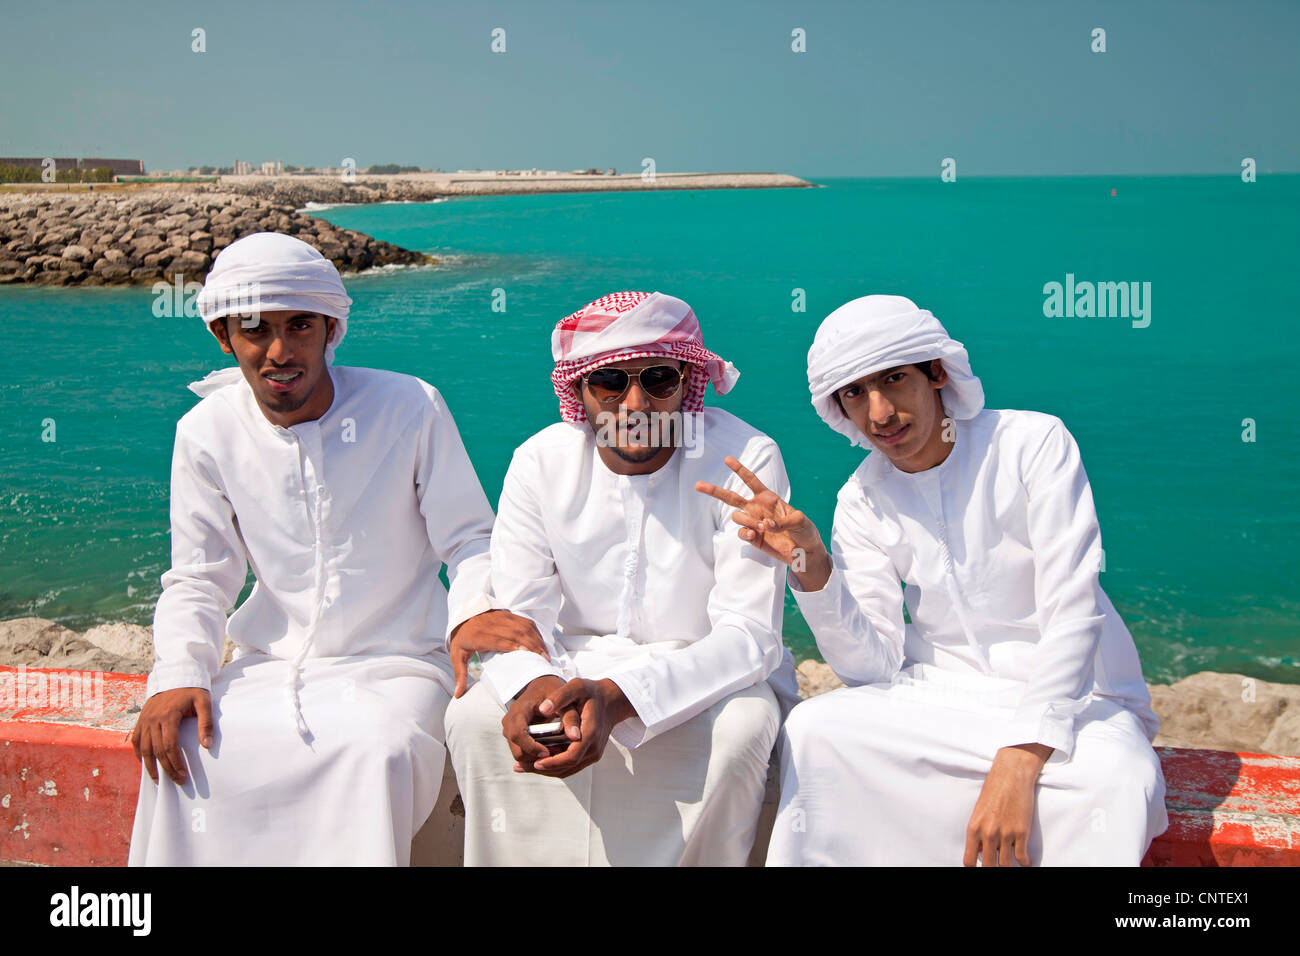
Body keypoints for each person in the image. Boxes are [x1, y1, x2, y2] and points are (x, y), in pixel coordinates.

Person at [699, 294, 1167, 866]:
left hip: (1076, 699)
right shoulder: (862, 498)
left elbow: (1073, 606)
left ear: (937, 373)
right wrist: (813, 567)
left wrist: (1020, 758)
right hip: (943, 695)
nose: (879, 414)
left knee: (1116, 779)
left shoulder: (1033, 443)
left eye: (894, 379)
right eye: (854, 394)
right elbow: (870, 668)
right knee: (818, 728)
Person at [127, 232, 543, 866]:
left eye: (299, 326)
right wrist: (178, 674)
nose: (278, 351)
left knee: (374, 752)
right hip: (270, 664)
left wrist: (475, 608)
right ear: (222, 336)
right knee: (186, 747)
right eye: (253, 330)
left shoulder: (409, 405)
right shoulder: (206, 432)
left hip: (401, 661)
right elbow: (200, 577)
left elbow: (468, 536)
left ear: (330, 329)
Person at [444, 290, 799, 866]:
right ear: (580, 391)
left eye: (658, 379)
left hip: (704, 675)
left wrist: (622, 698)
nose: (635, 404)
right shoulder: (539, 461)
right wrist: (533, 685)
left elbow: (750, 636)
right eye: (610, 380)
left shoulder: (744, 457)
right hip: (569, 662)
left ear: (688, 382)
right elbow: (519, 616)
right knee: (472, 716)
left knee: (742, 728)